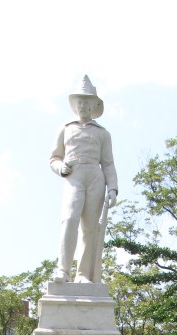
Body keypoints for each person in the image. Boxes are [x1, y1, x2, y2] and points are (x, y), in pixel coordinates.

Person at [50, 76, 118, 284]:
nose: (83, 105)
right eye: (80, 101)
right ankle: (63, 270)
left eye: (87, 101)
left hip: (95, 176)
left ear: (94, 105)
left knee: (90, 228)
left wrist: (113, 188)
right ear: (75, 104)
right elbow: (54, 158)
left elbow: (108, 163)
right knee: (69, 219)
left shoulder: (103, 134)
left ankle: (83, 274)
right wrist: (60, 167)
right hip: (73, 175)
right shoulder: (66, 128)